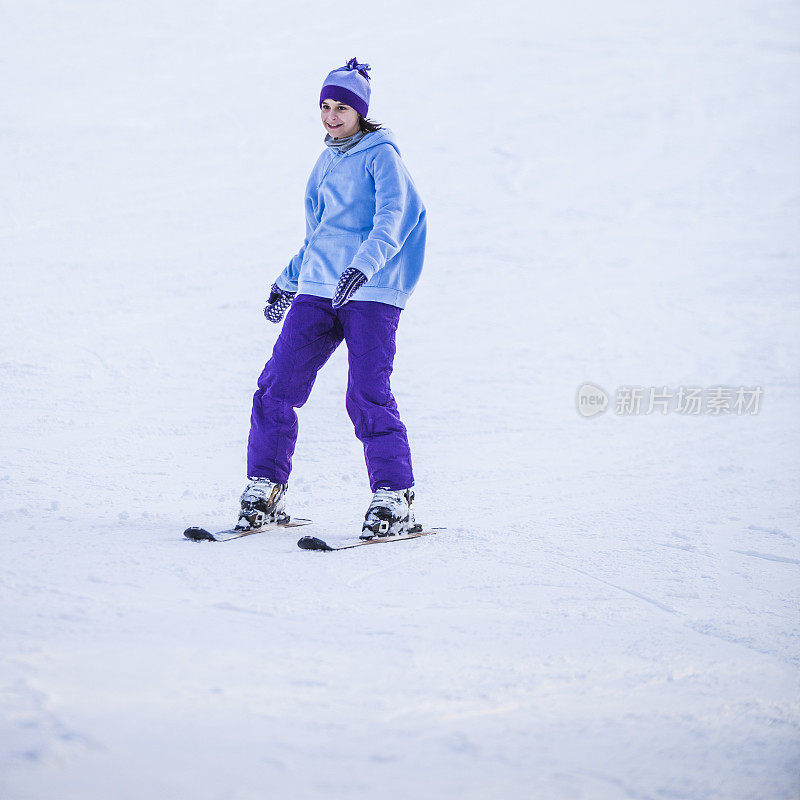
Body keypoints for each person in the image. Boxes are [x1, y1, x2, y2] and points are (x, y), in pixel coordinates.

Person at [236, 57, 427, 540]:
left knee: (366, 392)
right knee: (277, 384)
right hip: (318, 290)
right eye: (325, 105)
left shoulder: (382, 155)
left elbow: (394, 217)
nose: (331, 114)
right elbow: (318, 235)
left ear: (360, 111)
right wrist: (288, 279)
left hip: (373, 291)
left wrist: (364, 266)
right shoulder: (325, 162)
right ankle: (266, 486)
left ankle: (394, 495)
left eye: (341, 106)